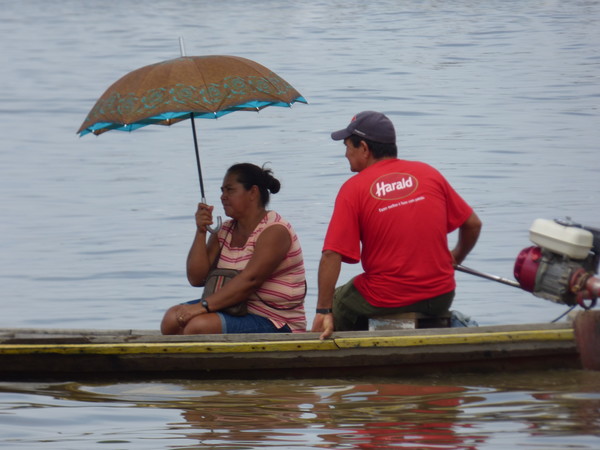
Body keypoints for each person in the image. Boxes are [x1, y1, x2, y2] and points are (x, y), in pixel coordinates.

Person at [311, 111, 482, 339]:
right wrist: (456, 258)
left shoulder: (354, 189)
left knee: (337, 301)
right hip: (441, 294)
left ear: (363, 147)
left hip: (388, 298)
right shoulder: (429, 173)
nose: (345, 154)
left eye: (347, 146)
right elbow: (473, 224)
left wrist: (324, 310)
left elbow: (332, 255)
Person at [161, 163, 307, 335]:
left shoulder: (275, 230)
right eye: (222, 191)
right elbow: (196, 278)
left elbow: (250, 280)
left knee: (198, 326)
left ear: (253, 192)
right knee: (171, 319)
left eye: (230, 190)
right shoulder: (224, 230)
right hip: (233, 309)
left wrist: (203, 306)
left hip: (276, 320)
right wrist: (201, 231)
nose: (223, 197)